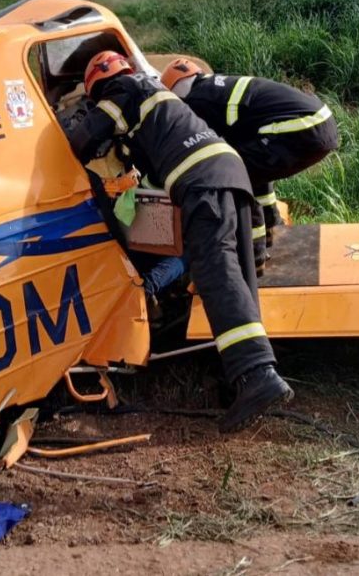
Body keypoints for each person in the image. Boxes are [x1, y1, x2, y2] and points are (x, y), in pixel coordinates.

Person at [62, 50, 294, 432]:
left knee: (215, 270)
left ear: (98, 85)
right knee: (237, 274)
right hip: (230, 170)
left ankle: (257, 375)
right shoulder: (152, 93)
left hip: (203, 180)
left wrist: (70, 122)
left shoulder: (122, 89)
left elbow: (82, 140)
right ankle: (247, 378)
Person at [160, 59, 339, 270]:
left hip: (300, 128)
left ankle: (254, 256)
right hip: (321, 123)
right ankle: (271, 224)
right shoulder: (215, 87)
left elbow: (205, 148)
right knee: (254, 168)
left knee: (237, 175)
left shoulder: (196, 102)